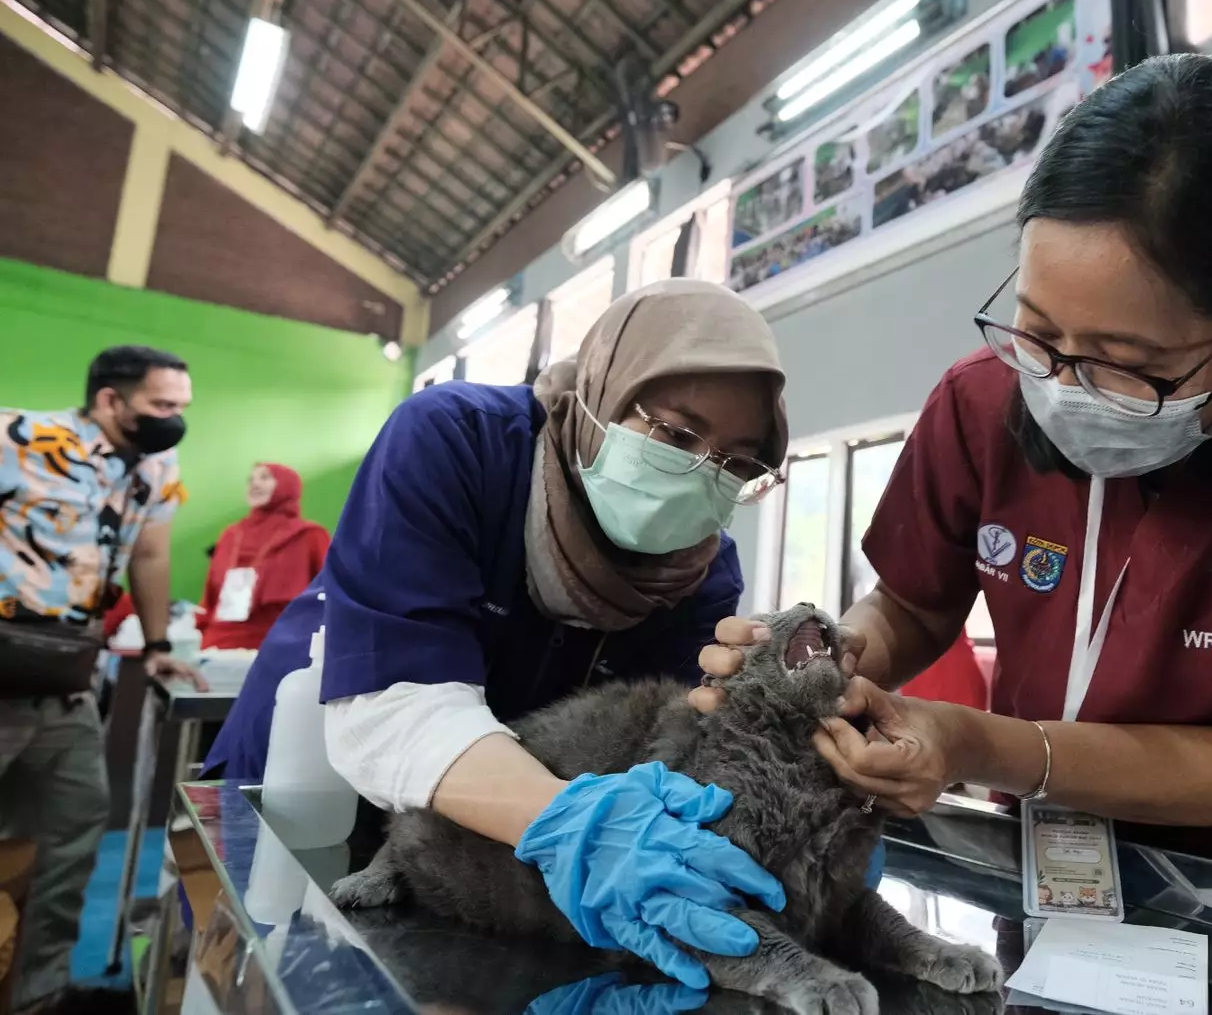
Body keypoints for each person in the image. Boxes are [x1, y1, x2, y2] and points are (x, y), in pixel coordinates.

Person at [696, 54, 1212, 900]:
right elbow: (909, 603)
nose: (1062, 384)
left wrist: (972, 742)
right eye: (1038, 331)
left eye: (1129, 364)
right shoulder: (982, 400)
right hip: (1049, 871)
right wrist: (829, 664)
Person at [206, 281, 791, 989]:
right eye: (675, 434)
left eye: (737, 462)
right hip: (310, 800)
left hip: (485, 845)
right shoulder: (457, 441)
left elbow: (656, 742)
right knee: (267, 978)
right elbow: (393, 705)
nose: (702, 475)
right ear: (605, 391)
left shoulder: (703, 571)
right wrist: (577, 823)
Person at [0, 346, 205, 1012]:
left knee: (75, 833)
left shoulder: (157, 464)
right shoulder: (21, 436)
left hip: (66, 681)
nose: (176, 419)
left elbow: (149, 551)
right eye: (162, 406)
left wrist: (156, 643)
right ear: (111, 400)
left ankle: (37, 995)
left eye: (182, 407)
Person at [196, 464, 329, 650]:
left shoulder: (310, 535)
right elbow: (210, 598)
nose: (255, 484)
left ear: (288, 485)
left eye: (265, 478)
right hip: (220, 641)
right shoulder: (231, 535)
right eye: (251, 480)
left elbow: (329, 592)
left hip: (283, 643)